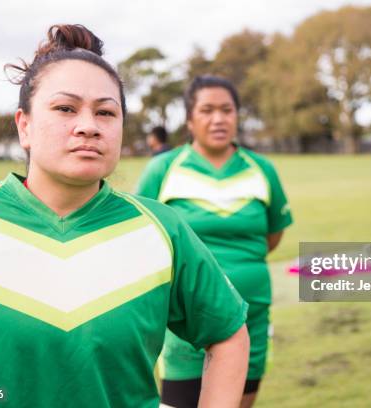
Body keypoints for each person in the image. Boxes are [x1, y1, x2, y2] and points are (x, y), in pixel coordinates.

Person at [0, 25, 250, 408]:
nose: (88, 126)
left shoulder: (163, 230)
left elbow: (228, 333)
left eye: (106, 112)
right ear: (24, 125)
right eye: (65, 108)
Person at [136, 75, 293, 408]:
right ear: (190, 120)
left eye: (227, 110)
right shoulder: (162, 169)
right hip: (185, 327)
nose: (219, 118)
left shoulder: (262, 169)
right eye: (207, 110)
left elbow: (272, 236)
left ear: (237, 116)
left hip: (252, 317)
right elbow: (140, 238)